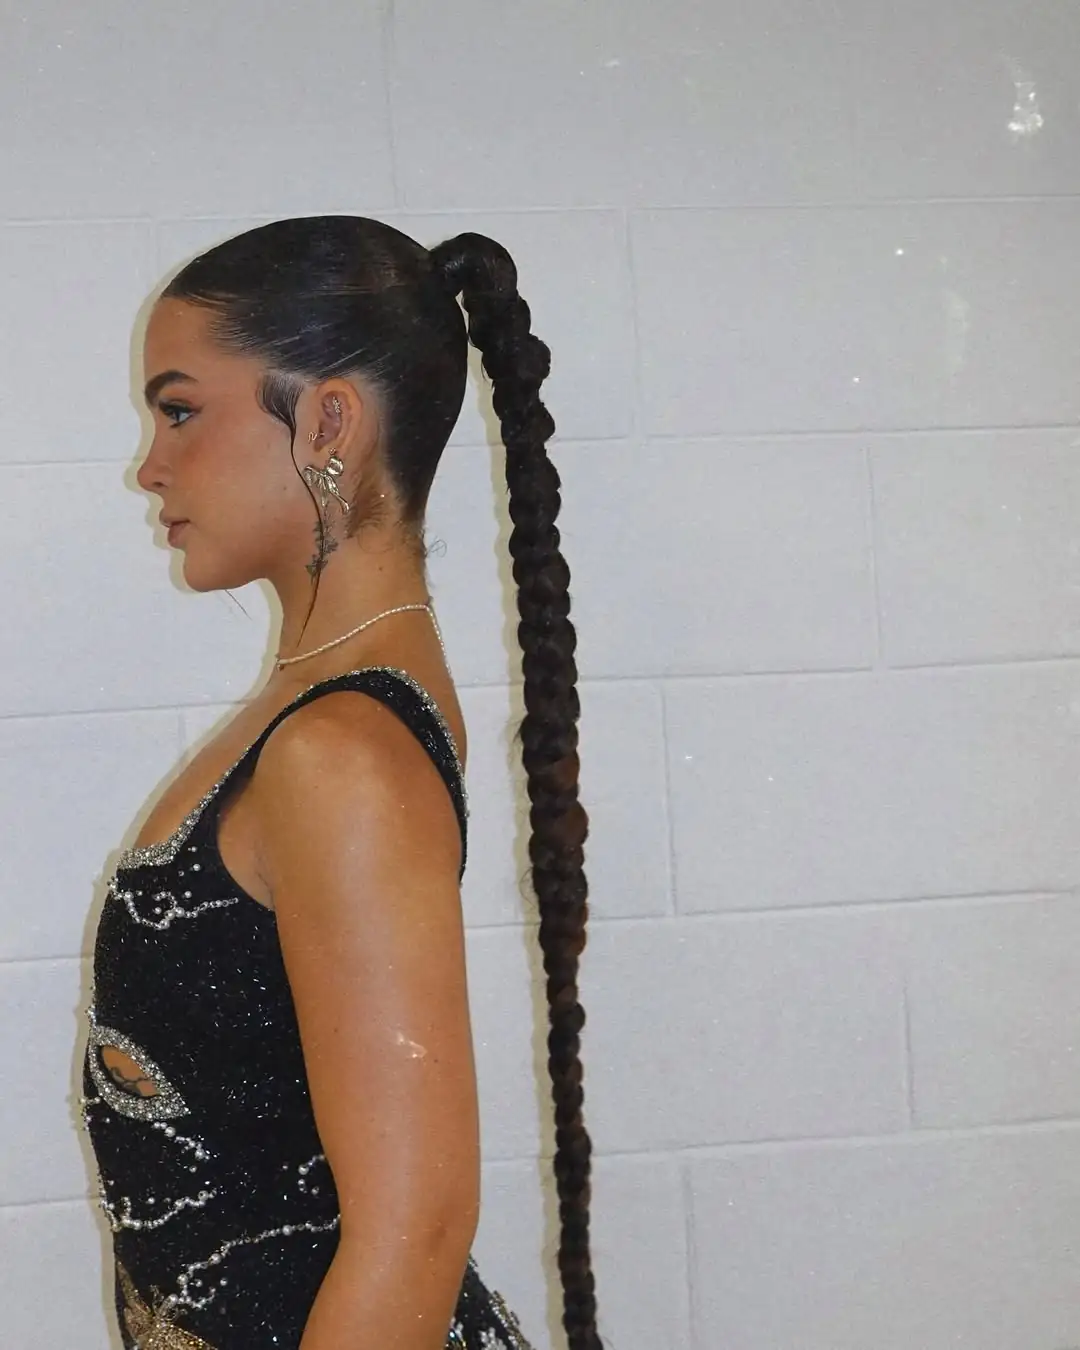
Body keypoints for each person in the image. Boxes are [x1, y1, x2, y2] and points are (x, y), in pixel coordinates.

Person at [78, 217, 602, 1350]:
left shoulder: (339, 750)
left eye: (180, 411)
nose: (149, 465)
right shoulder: (326, 711)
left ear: (326, 421)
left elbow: (415, 1231)